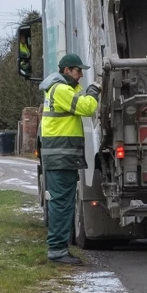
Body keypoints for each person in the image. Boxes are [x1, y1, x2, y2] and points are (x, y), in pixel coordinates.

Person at [38, 53, 101, 265]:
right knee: (62, 205)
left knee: (62, 203)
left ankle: (59, 249)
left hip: (61, 157)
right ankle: (57, 251)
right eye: (78, 70)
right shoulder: (61, 89)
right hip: (61, 157)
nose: (81, 75)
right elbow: (87, 107)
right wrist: (93, 91)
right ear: (66, 70)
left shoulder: (59, 89)